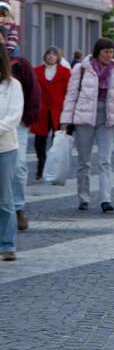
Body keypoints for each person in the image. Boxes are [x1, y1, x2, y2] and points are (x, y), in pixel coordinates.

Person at [61, 38, 114, 213]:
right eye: (105, 51)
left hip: (106, 118)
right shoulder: (81, 68)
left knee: (105, 161)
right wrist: (65, 120)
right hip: (84, 118)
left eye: (111, 51)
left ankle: (106, 199)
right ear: (97, 51)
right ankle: (83, 197)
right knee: (84, 161)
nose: (108, 55)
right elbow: (71, 95)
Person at [7, 37, 39, 232]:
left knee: (18, 166)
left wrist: (28, 117)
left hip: (17, 123)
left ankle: (18, 207)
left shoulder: (21, 64)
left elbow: (33, 92)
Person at [0, 47, 27, 260]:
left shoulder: (13, 86)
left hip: (5, 147)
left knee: (5, 198)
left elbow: (13, 117)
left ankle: (7, 244)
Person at [30, 47, 70, 181]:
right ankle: (41, 165)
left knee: (56, 142)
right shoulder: (36, 71)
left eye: (54, 54)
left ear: (58, 57)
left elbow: (69, 93)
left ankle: (53, 169)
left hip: (58, 111)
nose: (51, 56)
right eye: (49, 53)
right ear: (45, 56)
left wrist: (68, 113)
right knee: (39, 142)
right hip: (41, 111)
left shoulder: (65, 72)